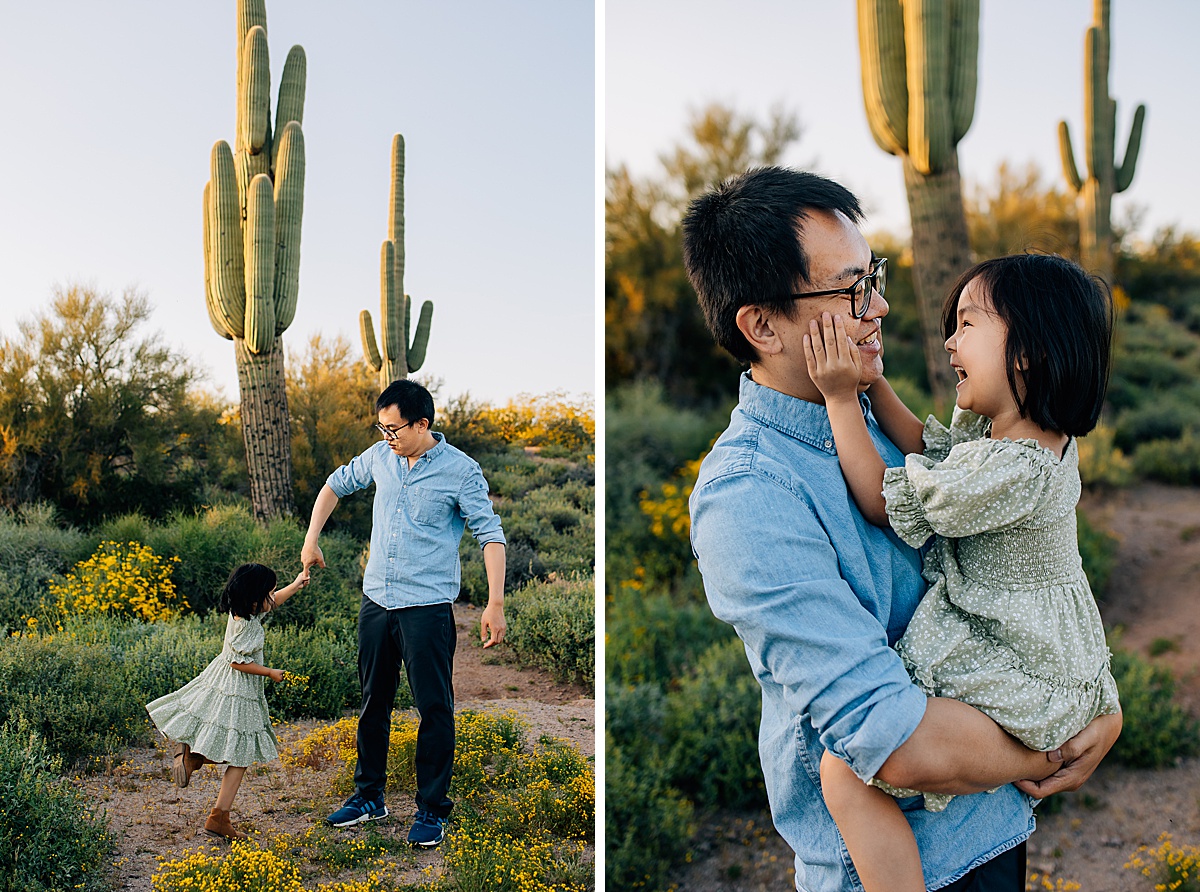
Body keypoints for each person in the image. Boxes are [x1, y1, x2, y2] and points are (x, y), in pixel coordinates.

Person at [682, 166, 1122, 892]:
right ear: (761, 325)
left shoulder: (872, 425)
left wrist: (1095, 703)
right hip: (902, 865)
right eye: (853, 289)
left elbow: (1029, 572)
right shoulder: (748, 497)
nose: (879, 305)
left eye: (875, 275)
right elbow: (891, 743)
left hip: (993, 826)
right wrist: (1064, 744)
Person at [804, 253, 1121, 892]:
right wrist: (874, 382)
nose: (950, 340)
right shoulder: (1023, 441)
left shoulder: (1012, 470)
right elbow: (931, 452)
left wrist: (841, 397)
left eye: (968, 323)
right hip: (1044, 656)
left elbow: (885, 498)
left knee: (844, 772)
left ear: (1027, 352)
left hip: (1019, 667)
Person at [302, 378, 507, 847]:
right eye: (382, 429)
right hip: (377, 600)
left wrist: (494, 602)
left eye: (394, 430)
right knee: (373, 701)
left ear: (422, 424)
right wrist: (311, 538)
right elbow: (334, 485)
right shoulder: (380, 458)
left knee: (433, 708)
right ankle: (368, 798)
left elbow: (490, 536)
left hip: (427, 608)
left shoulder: (461, 471)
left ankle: (432, 810)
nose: (387, 438)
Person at [146, 562, 310, 841]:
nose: (273, 597)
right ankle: (215, 811)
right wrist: (270, 672)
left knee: (237, 748)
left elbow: (274, 603)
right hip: (237, 689)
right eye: (269, 593)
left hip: (228, 682)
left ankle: (197, 765)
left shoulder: (245, 613)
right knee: (241, 750)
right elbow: (237, 662)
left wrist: (296, 584)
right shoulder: (245, 626)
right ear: (255, 598)